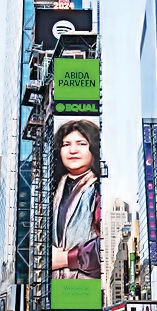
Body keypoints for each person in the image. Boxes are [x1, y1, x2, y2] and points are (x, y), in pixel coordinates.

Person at [51, 120, 101, 280]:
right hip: (53, 290)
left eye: (81, 143)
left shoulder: (99, 188)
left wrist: (67, 258)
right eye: (66, 145)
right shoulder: (52, 191)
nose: (73, 150)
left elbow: (108, 244)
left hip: (89, 290)